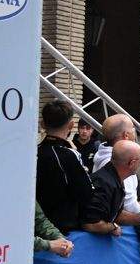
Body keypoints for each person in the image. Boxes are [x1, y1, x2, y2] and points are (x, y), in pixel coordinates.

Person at [36, 100, 96, 236]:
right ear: (71, 125)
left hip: (34, 224)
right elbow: (87, 194)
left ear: (42, 124)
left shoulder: (33, 152)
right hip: (63, 230)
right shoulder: (68, 155)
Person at [81, 140, 140, 235]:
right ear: (132, 163)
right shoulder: (104, 183)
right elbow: (91, 224)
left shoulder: (114, 178)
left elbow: (117, 215)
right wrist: (112, 227)